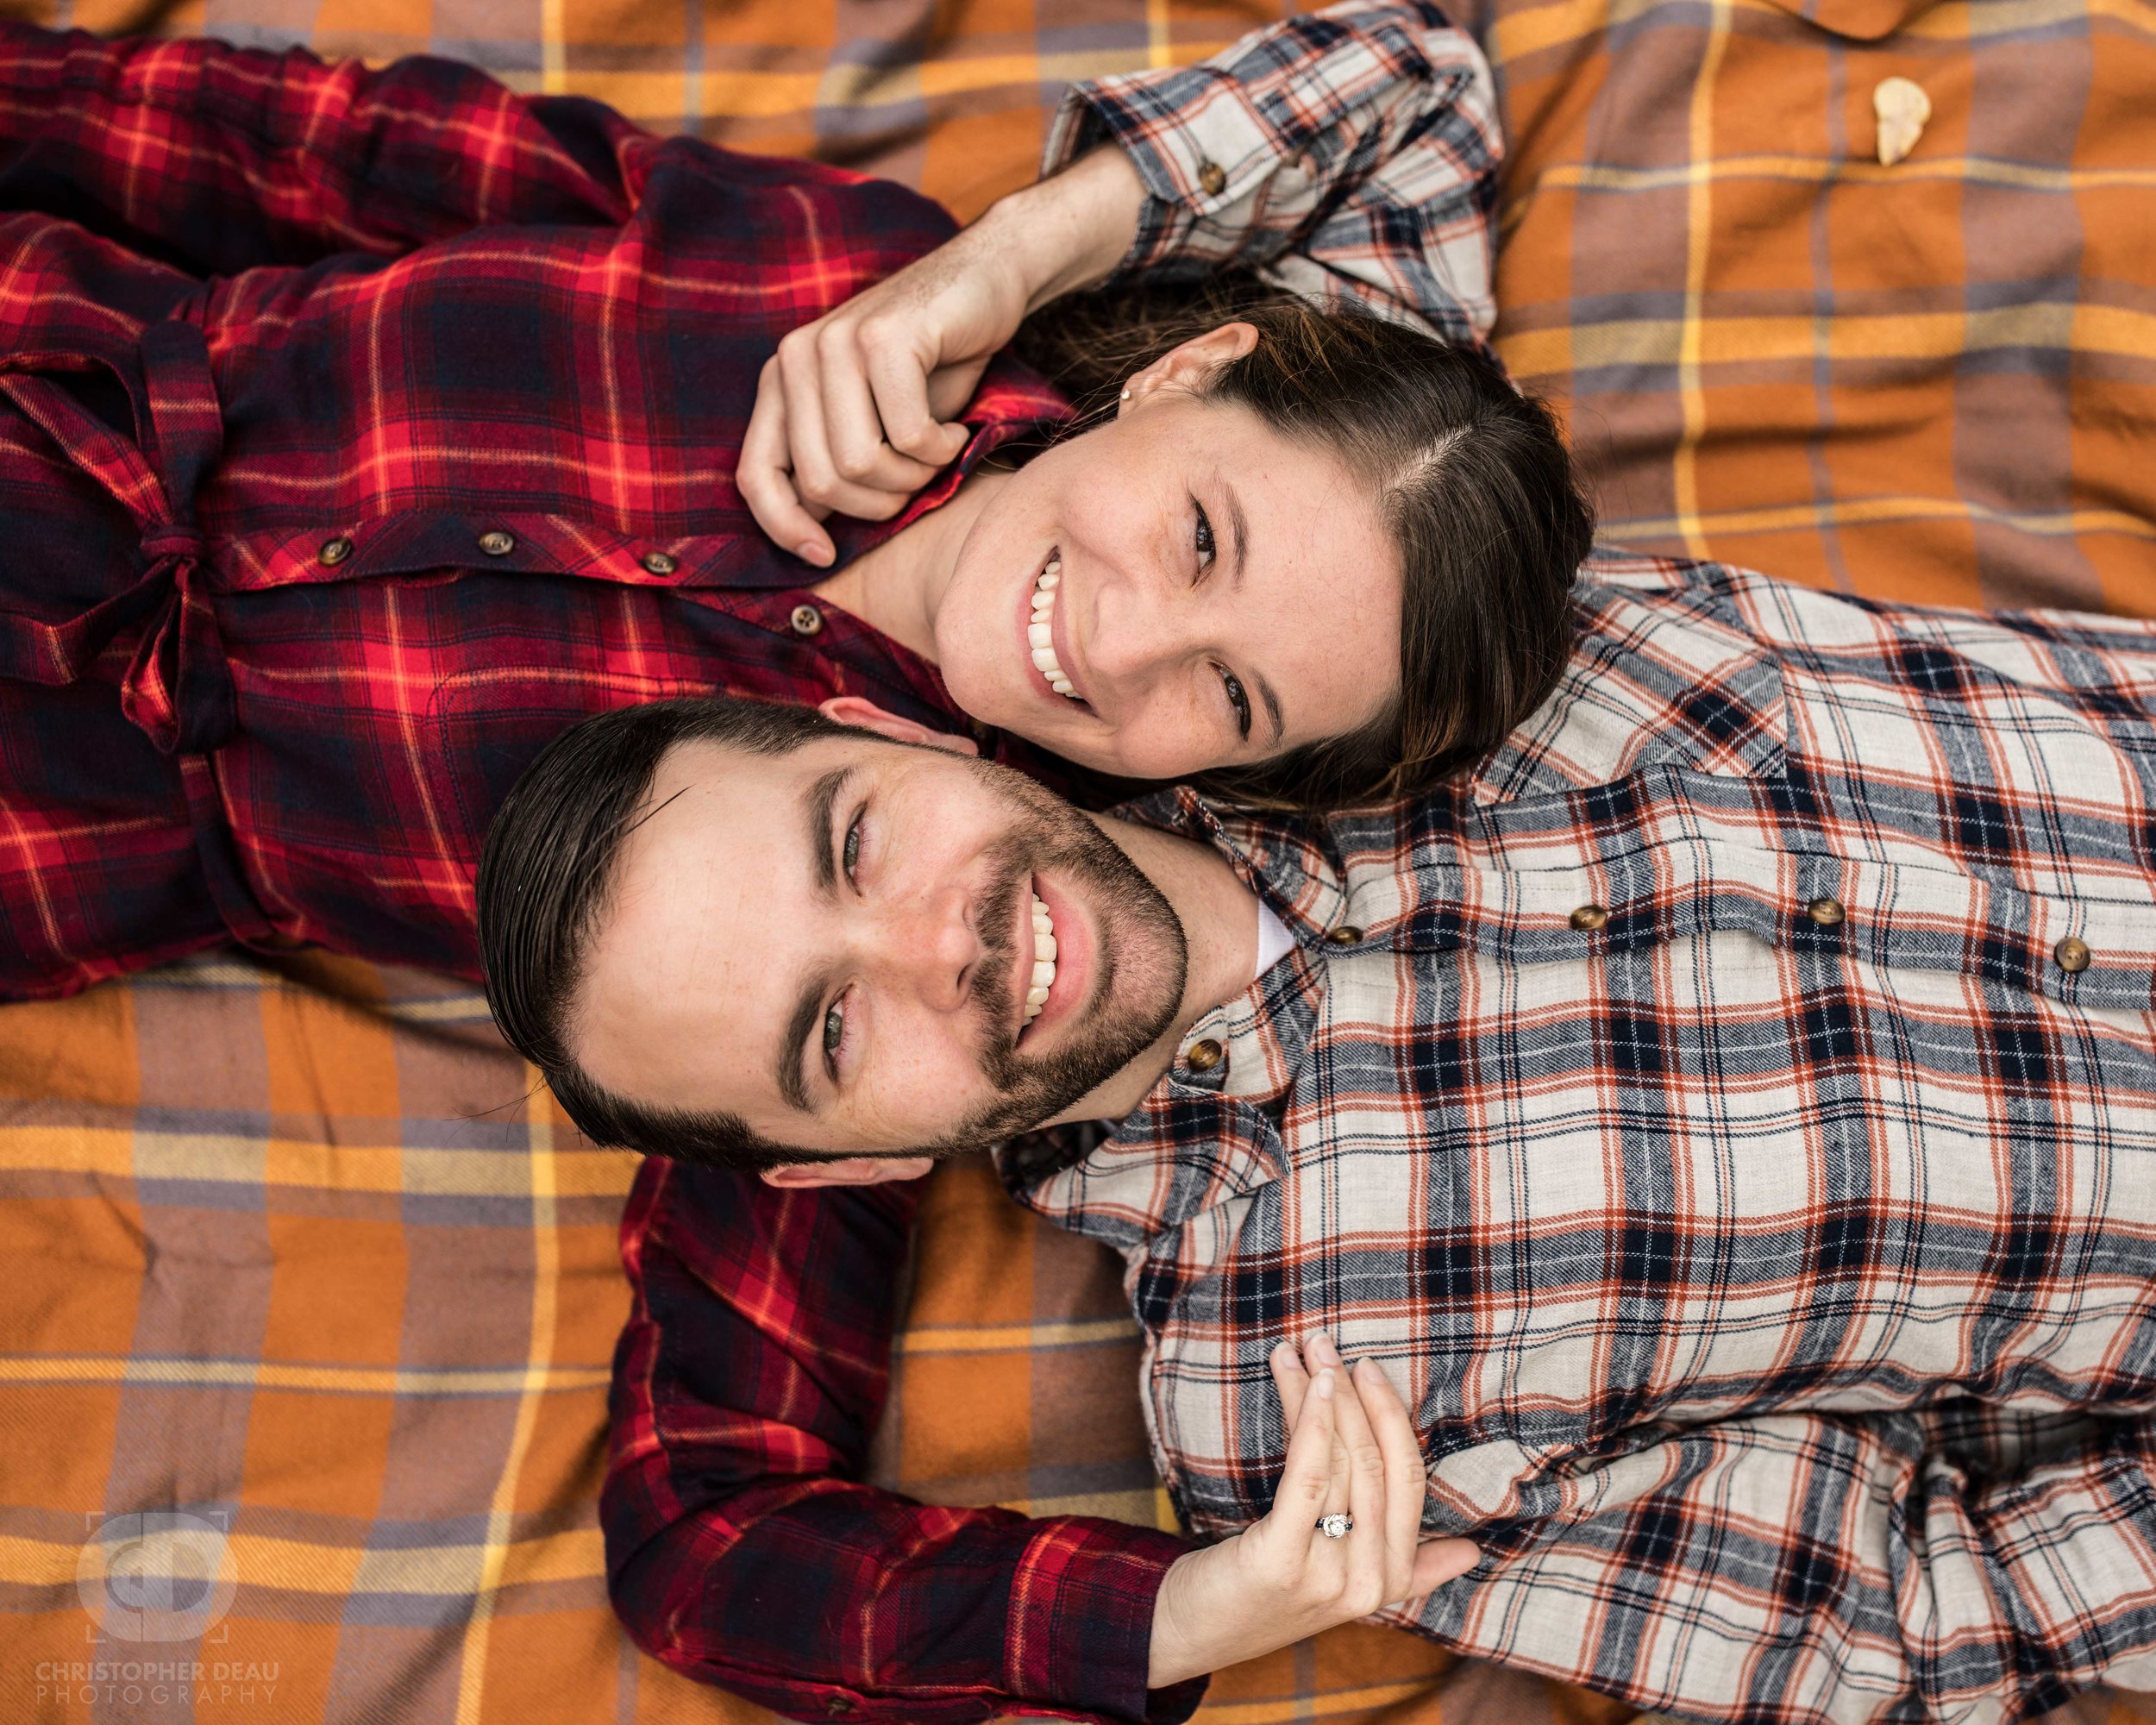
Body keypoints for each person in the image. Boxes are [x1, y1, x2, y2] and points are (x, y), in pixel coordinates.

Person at [471, 552, 2156, 1722]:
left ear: (896, 734)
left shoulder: (1312, 598)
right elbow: (1925, 1603)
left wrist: (1001, 265)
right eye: (833, 1032)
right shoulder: (1295, 1409)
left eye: (856, 846)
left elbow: (1406, 105)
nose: (937, 945)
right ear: (839, 1165)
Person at [0, 3, 1592, 1004]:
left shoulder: (915, 916)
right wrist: (1012, 251)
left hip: (51, 815)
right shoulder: (852, 267)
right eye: (1199, 538)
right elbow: (1418, 80)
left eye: (1233, 696)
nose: (1123, 645)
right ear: (1186, 377)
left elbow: (729, 1471)